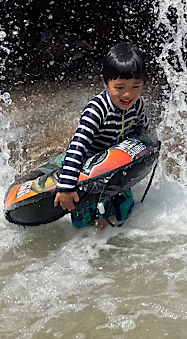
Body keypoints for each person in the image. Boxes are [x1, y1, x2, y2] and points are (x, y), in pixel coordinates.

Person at [53, 40, 151, 229]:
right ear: (105, 82)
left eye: (135, 86)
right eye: (120, 87)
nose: (128, 95)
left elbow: (142, 132)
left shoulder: (137, 105)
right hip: (87, 170)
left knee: (125, 213)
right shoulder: (96, 110)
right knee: (94, 224)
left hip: (113, 167)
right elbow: (77, 146)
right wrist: (66, 186)